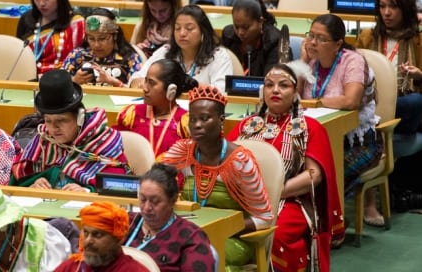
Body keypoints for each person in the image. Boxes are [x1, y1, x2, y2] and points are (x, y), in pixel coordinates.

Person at [226, 63, 344, 272]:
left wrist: (273, 193)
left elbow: (314, 175)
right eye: (269, 85)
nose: (276, 90)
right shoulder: (246, 125)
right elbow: (223, 163)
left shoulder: (309, 127)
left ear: (295, 92)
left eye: (284, 85)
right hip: (243, 199)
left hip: (290, 200)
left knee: (277, 234)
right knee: (225, 227)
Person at [162, 85, 272, 270]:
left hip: (231, 239)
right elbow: (156, 182)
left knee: (197, 259)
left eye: (205, 118)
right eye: (193, 119)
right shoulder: (183, 151)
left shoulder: (239, 161)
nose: (197, 125)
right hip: (189, 234)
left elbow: (264, 217)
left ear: (221, 120)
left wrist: (219, 228)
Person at [300, 14, 383, 230]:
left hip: (358, 143)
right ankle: (309, 224)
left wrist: (315, 103)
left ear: (338, 44)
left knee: (324, 176)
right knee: (295, 174)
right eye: (311, 36)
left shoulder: (352, 61)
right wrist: (301, 64)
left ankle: (330, 228)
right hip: (316, 142)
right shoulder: (309, 61)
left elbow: (351, 100)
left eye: (321, 38)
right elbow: (294, 98)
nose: (313, 43)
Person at [355, 0, 422, 225]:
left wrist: (419, 76)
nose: (386, 13)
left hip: (407, 110)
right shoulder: (367, 37)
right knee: (365, 113)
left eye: (393, 7)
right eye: (382, 6)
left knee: (415, 101)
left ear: (405, 9)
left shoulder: (418, 39)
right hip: (371, 103)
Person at [9, 69, 129, 192]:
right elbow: (18, 179)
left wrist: (88, 191)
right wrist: (33, 184)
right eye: (48, 121)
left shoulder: (104, 141)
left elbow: (122, 186)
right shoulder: (43, 140)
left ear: (79, 118)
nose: (53, 128)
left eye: (61, 120)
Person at [123, 163, 215, 271]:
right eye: (142, 199)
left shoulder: (191, 237)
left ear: (172, 201)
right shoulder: (124, 222)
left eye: (155, 201)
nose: (147, 207)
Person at [129, 5, 232, 93]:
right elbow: (134, 80)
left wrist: (193, 85)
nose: (182, 33)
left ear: (203, 32)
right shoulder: (165, 52)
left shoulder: (219, 56)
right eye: (177, 28)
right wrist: (141, 83)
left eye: (189, 28)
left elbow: (221, 92)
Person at [114, 59, 197, 158]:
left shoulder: (185, 123)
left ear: (171, 90)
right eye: (146, 81)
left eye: (152, 83)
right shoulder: (132, 114)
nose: (145, 88)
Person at [54, 201, 148, 272]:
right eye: (86, 233)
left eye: (97, 235)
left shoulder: (134, 270)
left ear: (119, 239)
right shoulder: (72, 267)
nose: (88, 241)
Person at [62, 8, 142, 87]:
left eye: (102, 38)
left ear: (115, 35)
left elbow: (139, 90)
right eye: (91, 39)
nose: (96, 45)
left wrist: (116, 83)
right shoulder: (77, 55)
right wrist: (74, 81)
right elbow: (59, 85)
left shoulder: (130, 58)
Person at [16, 0, 85, 77]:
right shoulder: (26, 19)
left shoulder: (77, 23)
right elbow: (19, 57)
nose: (42, 4)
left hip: (65, 81)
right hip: (29, 78)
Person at [222, 0, 286, 76]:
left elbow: (273, 80)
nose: (240, 32)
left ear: (260, 21)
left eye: (245, 27)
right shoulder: (228, 36)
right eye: (236, 27)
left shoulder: (276, 41)